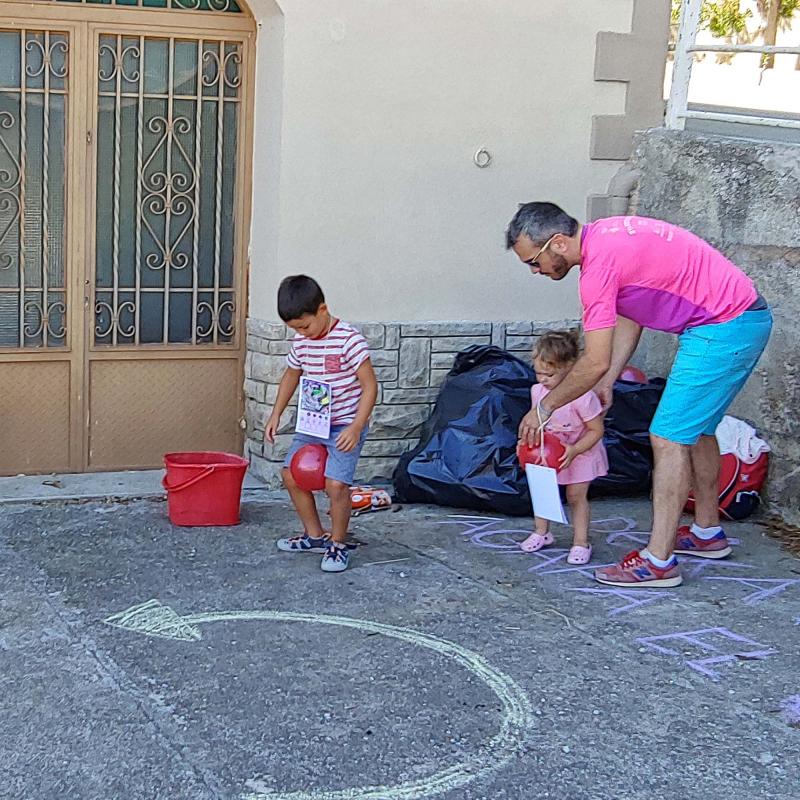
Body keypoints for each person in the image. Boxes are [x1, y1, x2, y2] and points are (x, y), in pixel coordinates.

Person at [506, 203, 772, 588]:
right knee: (697, 429)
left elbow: (593, 359)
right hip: (743, 318)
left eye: (534, 261)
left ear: (558, 243)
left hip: (723, 327)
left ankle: (658, 562)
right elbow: (631, 311)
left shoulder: (596, 271)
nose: (535, 271)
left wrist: (545, 408)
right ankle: (707, 533)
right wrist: (608, 379)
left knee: (667, 437)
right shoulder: (606, 238)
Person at [265, 275, 378, 573]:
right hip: (314, 423)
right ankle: (314, 535)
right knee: (291, 474)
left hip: (344, 425)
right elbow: (292, 374)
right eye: (295, 329)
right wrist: (277, 413)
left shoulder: (349, 340)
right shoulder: (302, 341)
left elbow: (370, 386)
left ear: (323, 310)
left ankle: (338, 544)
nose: (302, 332)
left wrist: (356, 426)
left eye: (305, 325)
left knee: (336, 484)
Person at [519, 331, 608, 565]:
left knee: (576, 495)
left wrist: (576, 449)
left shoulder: (583, 397)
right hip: (548, 452)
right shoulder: (537, 392)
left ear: (569, 367)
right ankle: (542, 531)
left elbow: (596, 431)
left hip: (580, 451)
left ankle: (581, 542)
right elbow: (536, 422)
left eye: (549, 374)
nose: (542, 380)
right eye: (538, 373)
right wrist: (527, 443)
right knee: (542, 490)